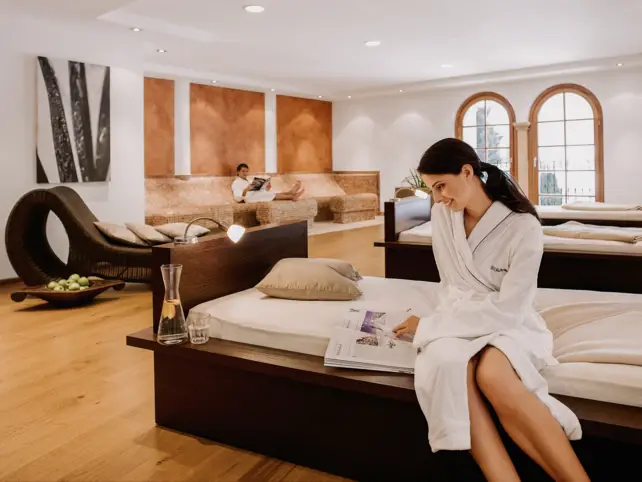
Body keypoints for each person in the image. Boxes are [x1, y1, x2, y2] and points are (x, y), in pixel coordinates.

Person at [392, 138, 588, 481]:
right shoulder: (442, 215)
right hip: (458, 315)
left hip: (510, 320)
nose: (437, 198)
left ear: (467, 172)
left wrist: (427, 326)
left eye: (441, 186)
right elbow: (451, 285)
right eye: (431, 190)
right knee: (454, 369)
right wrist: (443, 322)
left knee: (493, 375)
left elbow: (510, 309)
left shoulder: (523, 226)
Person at [231, 163, 304, 203]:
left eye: (246, 171)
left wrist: (265, 187)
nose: (245, 173)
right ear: (238, 172)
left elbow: (255, 189)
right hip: (249, 199)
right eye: (243, 171)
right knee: (268, 194)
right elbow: (237, 198)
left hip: (255, 195)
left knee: (267, 192)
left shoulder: (247, 180)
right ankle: (292, 196)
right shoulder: (236, 183)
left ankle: (291, 192)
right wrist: (246, 190)